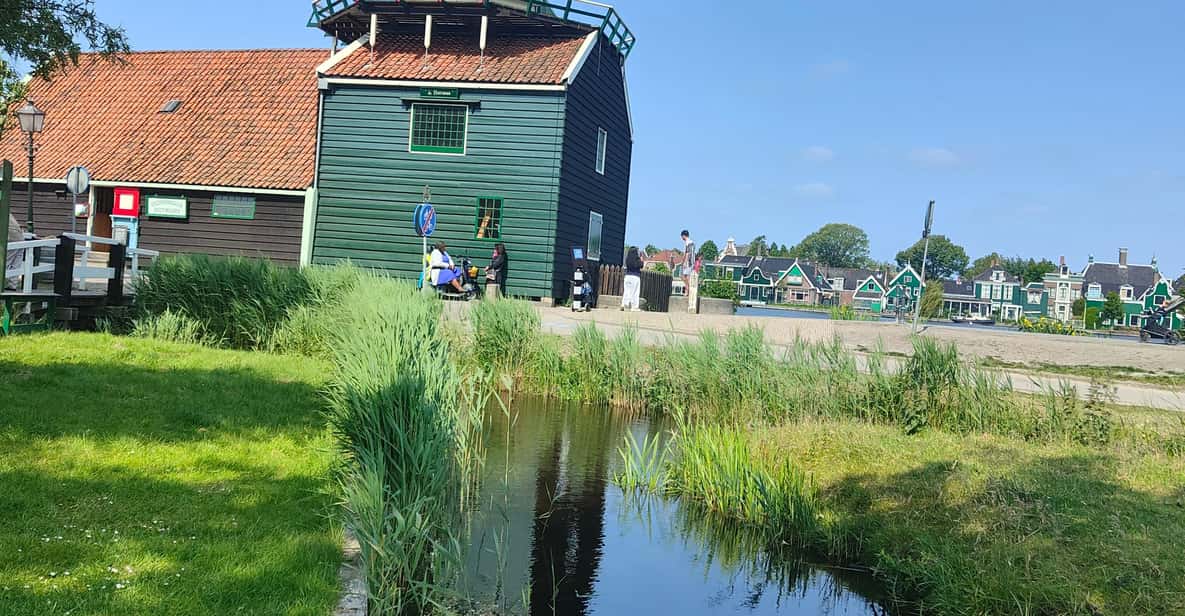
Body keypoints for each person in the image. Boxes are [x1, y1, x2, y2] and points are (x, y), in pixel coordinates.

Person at [5, 212, 23, 291]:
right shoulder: (6, 210)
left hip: (10, 236)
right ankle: (12, 285)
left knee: (5, 262)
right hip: (19, 236)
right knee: (16, 263)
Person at [622, 246, 643, 312]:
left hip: (627, 276)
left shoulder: (627, 259)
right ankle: (634, 307)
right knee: (635, 292)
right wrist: (641, 258)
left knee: (626, 291)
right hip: (635, 277)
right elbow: (641, 265)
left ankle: (624, 304)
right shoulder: (637, 260)